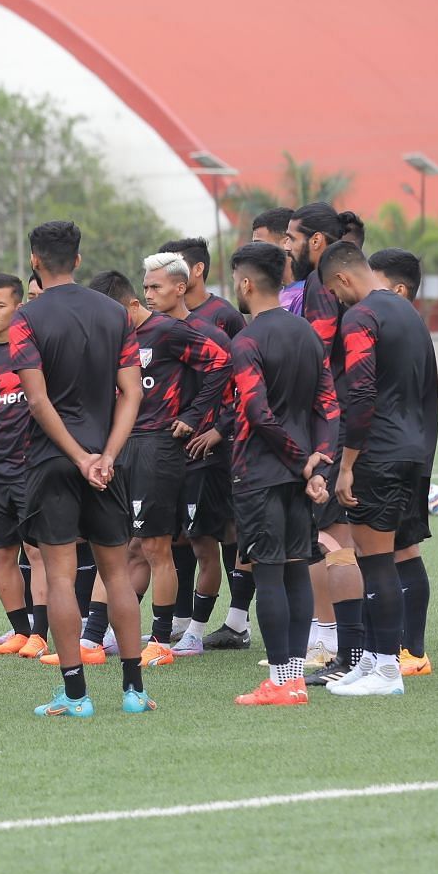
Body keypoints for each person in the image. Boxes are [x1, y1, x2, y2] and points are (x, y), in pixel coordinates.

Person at [9, 220, 151, 719]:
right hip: (107, 463)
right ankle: (134, 691)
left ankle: (75, 695)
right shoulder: (116, 314)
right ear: (79, 258)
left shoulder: (26, 318)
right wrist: (106, 455)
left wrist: (77, 456)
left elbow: (38, 399)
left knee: (62, 579)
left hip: (54, 462)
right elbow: (132, 393)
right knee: (116, 575)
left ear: (34, 261)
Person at [82, 259, 229, 666]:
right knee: (115, 545)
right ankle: (92, 638)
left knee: (154, 546)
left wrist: (193, 416)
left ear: (128, 307)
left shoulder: (167, 332)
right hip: (120, 445)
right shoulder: (114, 339)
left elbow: (220, 363)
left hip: (157, 448)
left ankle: (161, 640)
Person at [320, 240, 437, 698]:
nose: (338, 298)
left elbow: (361, 395)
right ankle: (370, 660)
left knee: (376, 561)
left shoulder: (361, 316)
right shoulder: (408, 312)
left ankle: (387, 670)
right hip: (411, 447)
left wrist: (346, 465)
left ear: (344, 278)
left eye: (335, 289)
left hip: (377, 453)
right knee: (378, 561)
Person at [225, 241, 338, 707]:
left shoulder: (246, 342)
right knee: (295, 571)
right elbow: (329, 405)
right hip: (299, 475)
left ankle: (280, 681)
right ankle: (291, 680)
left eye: (235, 280)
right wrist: (318, 463)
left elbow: (257, 412)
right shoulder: (309, 335)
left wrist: (300, 462)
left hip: (261, 473)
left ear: (247, 283)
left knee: (269, 575)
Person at [287, 201, 366, 682]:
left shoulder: (320, 285)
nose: (287, 246)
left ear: (316, 240)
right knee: (342, 541)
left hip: (329, 429)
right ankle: (341, 643)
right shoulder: (328, 283)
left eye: (292, 237)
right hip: (341, 426)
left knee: (330, 541)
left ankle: (341, 646)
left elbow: (313, 358)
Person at [160, 236, 248, 653]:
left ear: (191, 273)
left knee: (221, 532)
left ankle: (237, 620)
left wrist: (220, 428)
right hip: (172, 450)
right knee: (180, 536)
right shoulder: (162, 326)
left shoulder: (222, 319)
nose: (153, 290)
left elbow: (240, 382)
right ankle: (180, 623)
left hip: (212, 450)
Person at [368, 247, 437, 675]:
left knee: (400, 547)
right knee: (394, 547)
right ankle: (399, 649)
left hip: (399, 452)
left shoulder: (402, 326)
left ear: (397, 289)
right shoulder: (404, 325)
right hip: (407, 449)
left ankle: (412, 651)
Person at [0, 274, 47, 658]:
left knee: (37, 553)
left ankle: (42, 631)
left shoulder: (34, 353)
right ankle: (21, 631)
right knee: (2, 553)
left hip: (32, 468)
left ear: (19, 307)